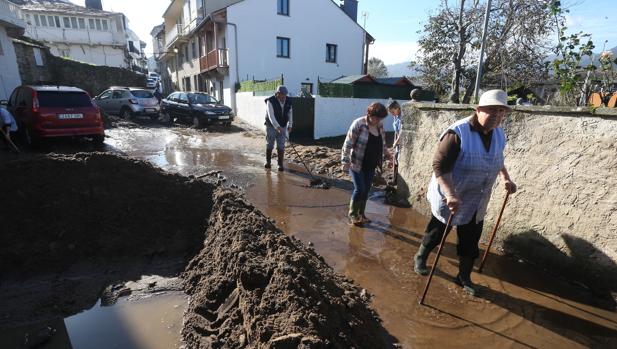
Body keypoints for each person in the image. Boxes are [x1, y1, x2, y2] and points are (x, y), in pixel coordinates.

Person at [413, 89, 517, 296]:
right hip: (451, 194)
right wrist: (450, 194)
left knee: (470, 240)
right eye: (490, 110)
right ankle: (421, 257)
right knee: (437, 233)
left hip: (477, 197)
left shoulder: (499, 133)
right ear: (478, 109)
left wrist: (506, 177)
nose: (496, 115)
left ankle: (463, 276)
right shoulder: (457, 133)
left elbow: (497, 157)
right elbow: (439, 166)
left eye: (500, 111)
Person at [341, 102, 390, 225]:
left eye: (381, 118)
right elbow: (347, 144)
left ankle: (361, 214)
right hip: (356, 163)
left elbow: (383, 144)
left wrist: (389, 156)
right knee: (360, 189)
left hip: (371, 164)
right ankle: (353, 214)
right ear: (369, 114)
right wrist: (345, 161)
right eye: (377, 117)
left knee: (367, 189)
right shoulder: (359, 124)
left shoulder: (380, 126)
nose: (378, 120)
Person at [264, 85, 293, 171]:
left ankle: (280, 164)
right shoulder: (270, 101)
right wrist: (277, 127)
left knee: (281, 145)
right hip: (271, 126)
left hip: (283, 125)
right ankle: (268, 162)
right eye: (282, 95)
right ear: (277, 94)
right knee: (270, 144)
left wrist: (290, 125)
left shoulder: (288, 100)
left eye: (285, 94)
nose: (284, 96)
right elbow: (271, 116)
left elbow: (290, 113)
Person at [387, 100, 402, 182]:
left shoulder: (402, 116)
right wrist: (395, 140)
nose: (392, 114)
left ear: (397, 108)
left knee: (399, 159)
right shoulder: (395, 116)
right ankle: (395, 178)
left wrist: (396, 142)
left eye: (392, 111)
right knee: (395, 158)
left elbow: (402, 131)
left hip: (402, 142)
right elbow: (396, 131)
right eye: (390, 112)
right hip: (397, 140)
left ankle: (397, 180)